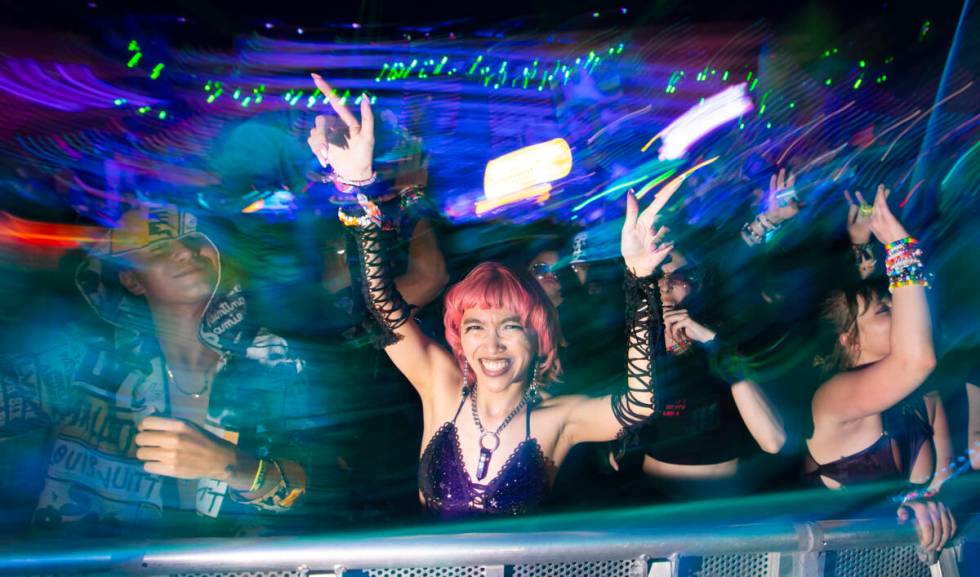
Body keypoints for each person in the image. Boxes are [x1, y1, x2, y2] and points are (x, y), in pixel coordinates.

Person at [305, 73, 670, 518]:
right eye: (476, 326)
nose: (492, 345)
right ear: (460, 336)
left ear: (537, 336)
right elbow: (382, 306)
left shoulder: (559, 419)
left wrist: (640, 277)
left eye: (510, 326)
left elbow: (640, 404)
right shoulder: (440, 386)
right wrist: (357, 190)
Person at [27, 203, 309, 536]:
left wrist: (226, 464)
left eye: (194, 240)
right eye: (160, 248)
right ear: (132, 280)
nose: (185, 253)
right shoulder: (84, 359)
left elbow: (308, 488)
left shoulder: (271, 355)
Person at [806, 185, 955, 552]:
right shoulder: (832, 397)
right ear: (848, 339)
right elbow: (914, 359)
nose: (899, 311)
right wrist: (901, 247)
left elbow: (945, 484)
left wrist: (931, 505)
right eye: (884, 311)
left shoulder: (925, 395)